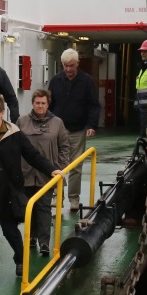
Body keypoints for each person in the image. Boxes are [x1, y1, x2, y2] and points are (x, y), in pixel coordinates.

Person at [0, 95, 61, 287]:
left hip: (6, 190)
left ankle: (20, 258)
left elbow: (31, 155)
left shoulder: (14, 134)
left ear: (1, 113)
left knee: (9, 229)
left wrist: (51, 169)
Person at [16, 89, 70, 256]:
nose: (40, 106)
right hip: (26, 172)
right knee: (28, 207)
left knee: (44, 207)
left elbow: (65, 147)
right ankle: (31, 236)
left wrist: (59, 167)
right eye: (37, 103)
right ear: (32, 103)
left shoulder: (57, 123)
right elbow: (14, 145)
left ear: (48, 104)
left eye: (43, 103)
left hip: (47, 174)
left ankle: (44, 242)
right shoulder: (22, 121)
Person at [47, 49, 101, 211]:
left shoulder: (87, 81)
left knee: (76, 166)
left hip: (77, 130)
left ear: (77, 64)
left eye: (71, 66)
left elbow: (93, 105)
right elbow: (49, 104)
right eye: (65, 66)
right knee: (57, 165)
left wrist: (92, 125)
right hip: (58, 131)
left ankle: (74, 199)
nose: (68, 69)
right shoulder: (55, 81)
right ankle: (58, 196)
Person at [135, 39, 147, 139]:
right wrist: (137, 103)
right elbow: (139, 88)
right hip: (142, 106)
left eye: (145, 51)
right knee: (143, 125)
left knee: (146, 127)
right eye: (141, 51)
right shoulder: (142, 69)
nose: (142, 53)